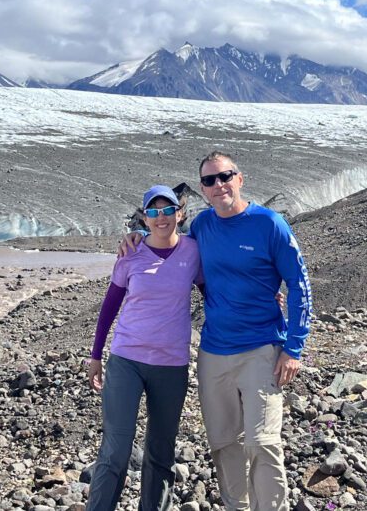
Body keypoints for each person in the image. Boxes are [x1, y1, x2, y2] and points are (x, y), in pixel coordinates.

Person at [123, 151, 312, 511]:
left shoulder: (270, 224)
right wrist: (134, 235)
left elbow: (299, 285)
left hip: (263, 348)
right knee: (224, 442)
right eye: (209, 180)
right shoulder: (203, 227)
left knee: (263, 442)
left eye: (225, 176)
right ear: (203, 190)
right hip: (213, 352)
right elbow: (168, 240)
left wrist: (295, 348)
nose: (218, 185)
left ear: (240, 179)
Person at [85, 185, 202, 511]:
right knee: (115, 449)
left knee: (161, 451)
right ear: (145, 218)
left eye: (168, 210)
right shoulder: (130, 253)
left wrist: (264, 302)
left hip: (171, 364)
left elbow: (216, 293)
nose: (161, 217)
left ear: (180, 213)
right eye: (153, 212)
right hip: (127, 360)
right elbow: (109, 306)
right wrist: (96, 356)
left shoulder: (193, 252)